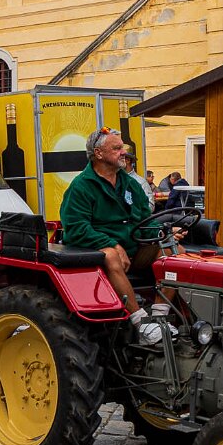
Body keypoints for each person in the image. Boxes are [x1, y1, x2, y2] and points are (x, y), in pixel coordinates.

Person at [60, 128, 175, 344]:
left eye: (122, 148)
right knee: (111, 255)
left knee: (172, 254)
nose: (124, 152)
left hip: (132, 250)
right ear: (99, 153)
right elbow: (75, 228)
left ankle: (159, 318)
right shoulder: (81, 187)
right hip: (94, 253)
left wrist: (163, 233)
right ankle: (140, 323)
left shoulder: (130, 184)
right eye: (117, 148)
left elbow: (144, 221)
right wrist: (111, 243)